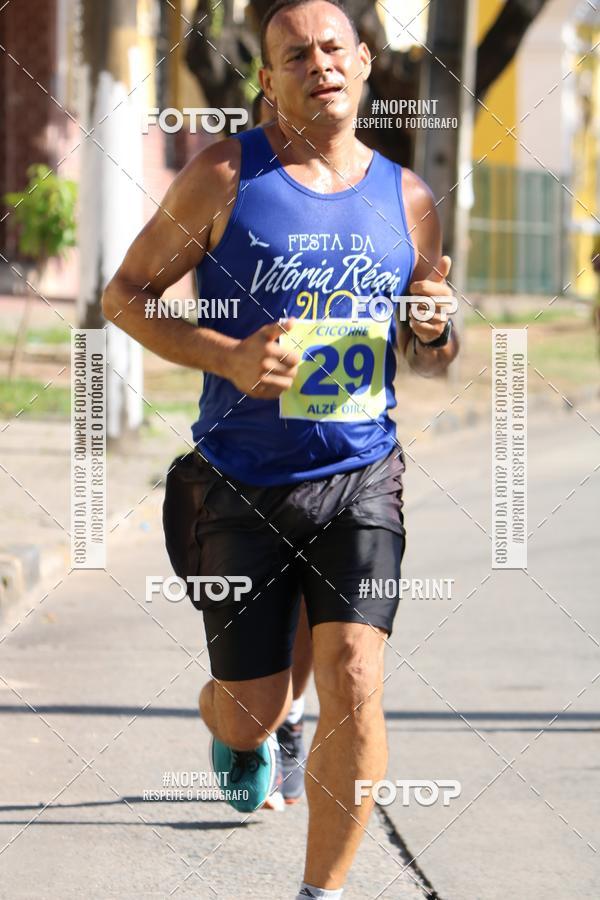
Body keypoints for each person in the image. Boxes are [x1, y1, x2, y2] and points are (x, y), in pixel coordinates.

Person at [102, 0, 458, 896]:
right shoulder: (224, 175)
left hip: (360, 476)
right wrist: (226, 353)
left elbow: (431, 358)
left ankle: (319, 892)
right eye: (294, 55)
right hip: (242, 481)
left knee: (353, 671)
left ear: (366, 61)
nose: (319, 63)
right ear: (267, 81)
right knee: (252, 710)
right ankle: (247, 723)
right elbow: (125, 296)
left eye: (333, 48)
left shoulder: (409, 198)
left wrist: (432, 330)